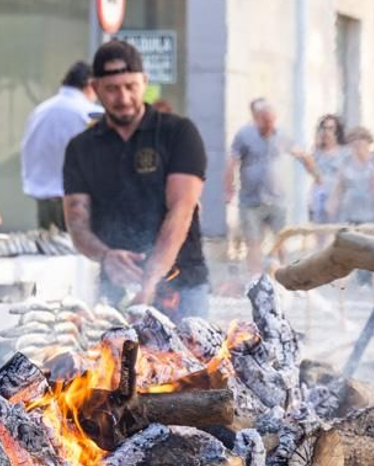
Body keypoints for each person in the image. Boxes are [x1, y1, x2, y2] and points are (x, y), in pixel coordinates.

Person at [62, 39, 209, 320]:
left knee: (191, 363)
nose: (124, 97)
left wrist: (150, 281)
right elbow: (77, 222)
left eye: (131, 86)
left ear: (144, 81)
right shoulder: (81, 148)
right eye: (112, 89)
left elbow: (181, 210)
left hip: (181, 286)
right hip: (114, 289)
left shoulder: (178, 133)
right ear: (95, 89)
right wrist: (106, 256)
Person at [225, 97, 302, 273]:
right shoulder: (244, 135)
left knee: (281, 240)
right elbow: (232, 162)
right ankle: (256, 278)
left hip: (277, 199)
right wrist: (228, 189)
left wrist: (317, 174)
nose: (269, 125)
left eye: (271, 121)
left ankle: (285, 276)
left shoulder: (282, 135)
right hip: (251, 200)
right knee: (253, 241)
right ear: (256, 118)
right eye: (265, 121)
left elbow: (300, 154)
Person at [20, 61, 100, 230]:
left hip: (44, 201)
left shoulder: (39, 111)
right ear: (89, 85)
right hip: (78, 201)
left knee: (48, 253)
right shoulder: (90, 113)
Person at [328, 126, 374, 225]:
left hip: (373, 211)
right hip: (350, 212)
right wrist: (332, 205)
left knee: (370, 239)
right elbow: (339, 186)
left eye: (362, 139)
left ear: (368, 142)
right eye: (354, 140)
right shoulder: (345, 162)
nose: (358, 142)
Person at [305, 114, 347, 221]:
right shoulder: (316, 153)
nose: (326, 132)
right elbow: (312, 173)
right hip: (319, 199)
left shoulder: (345, 152)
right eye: (324, 128)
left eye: (330, 128)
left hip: (338, 200)